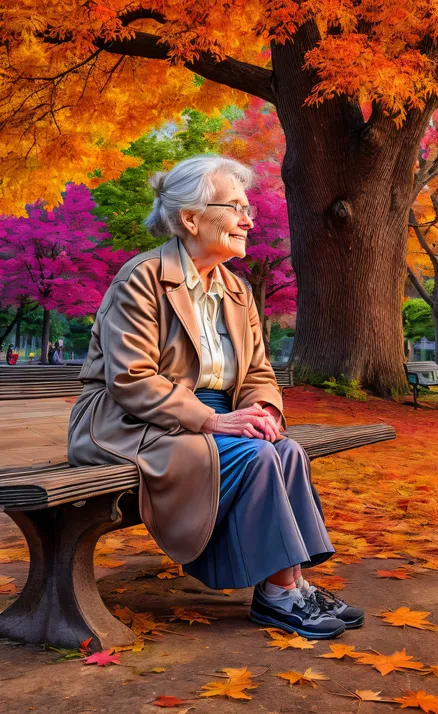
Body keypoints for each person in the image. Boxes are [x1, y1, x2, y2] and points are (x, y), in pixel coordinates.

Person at [68, 155, 364, 640]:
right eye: (235, 207)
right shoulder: (141, 278)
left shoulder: (237, 289)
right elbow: (132, 380)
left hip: (208, 419)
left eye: (249, 208)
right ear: (191, 218)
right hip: (130, 422)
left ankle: (288, 587)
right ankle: (282, 594)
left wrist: (264, 409)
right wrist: (213, 420)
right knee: (256, 456)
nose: (249, 219)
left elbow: (258, 373)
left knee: (285, 449)